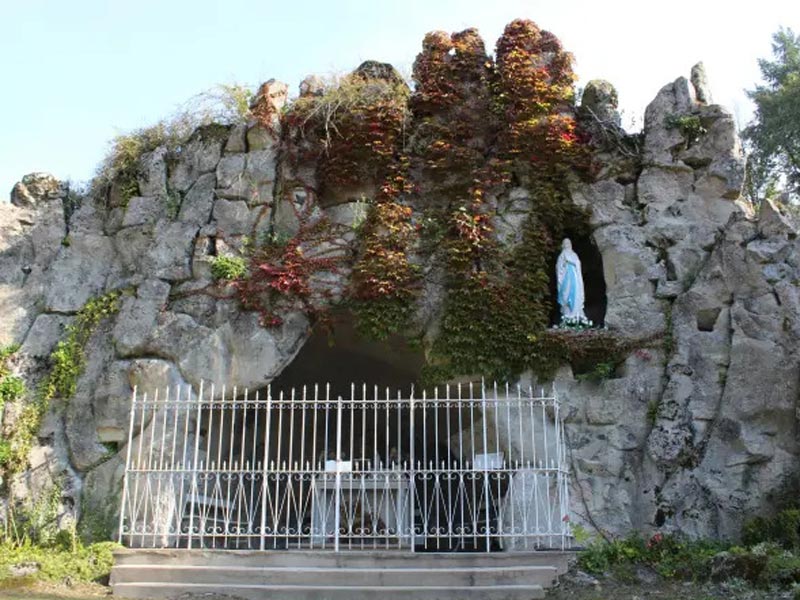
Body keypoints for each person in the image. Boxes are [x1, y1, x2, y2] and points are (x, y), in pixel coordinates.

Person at [556, 238, 589, 325]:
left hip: (574, 278)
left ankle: (576, 315)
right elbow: (559, 268)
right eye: (565, 243)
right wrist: (564, 264)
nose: (567, 245)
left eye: (568, 243)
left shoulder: (574, 255)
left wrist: (573, 262)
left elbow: (578, 263)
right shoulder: (562, 255)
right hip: (566, 279)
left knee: (576, 294)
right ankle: (567, 316)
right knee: (566, 296)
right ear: (563, 245)